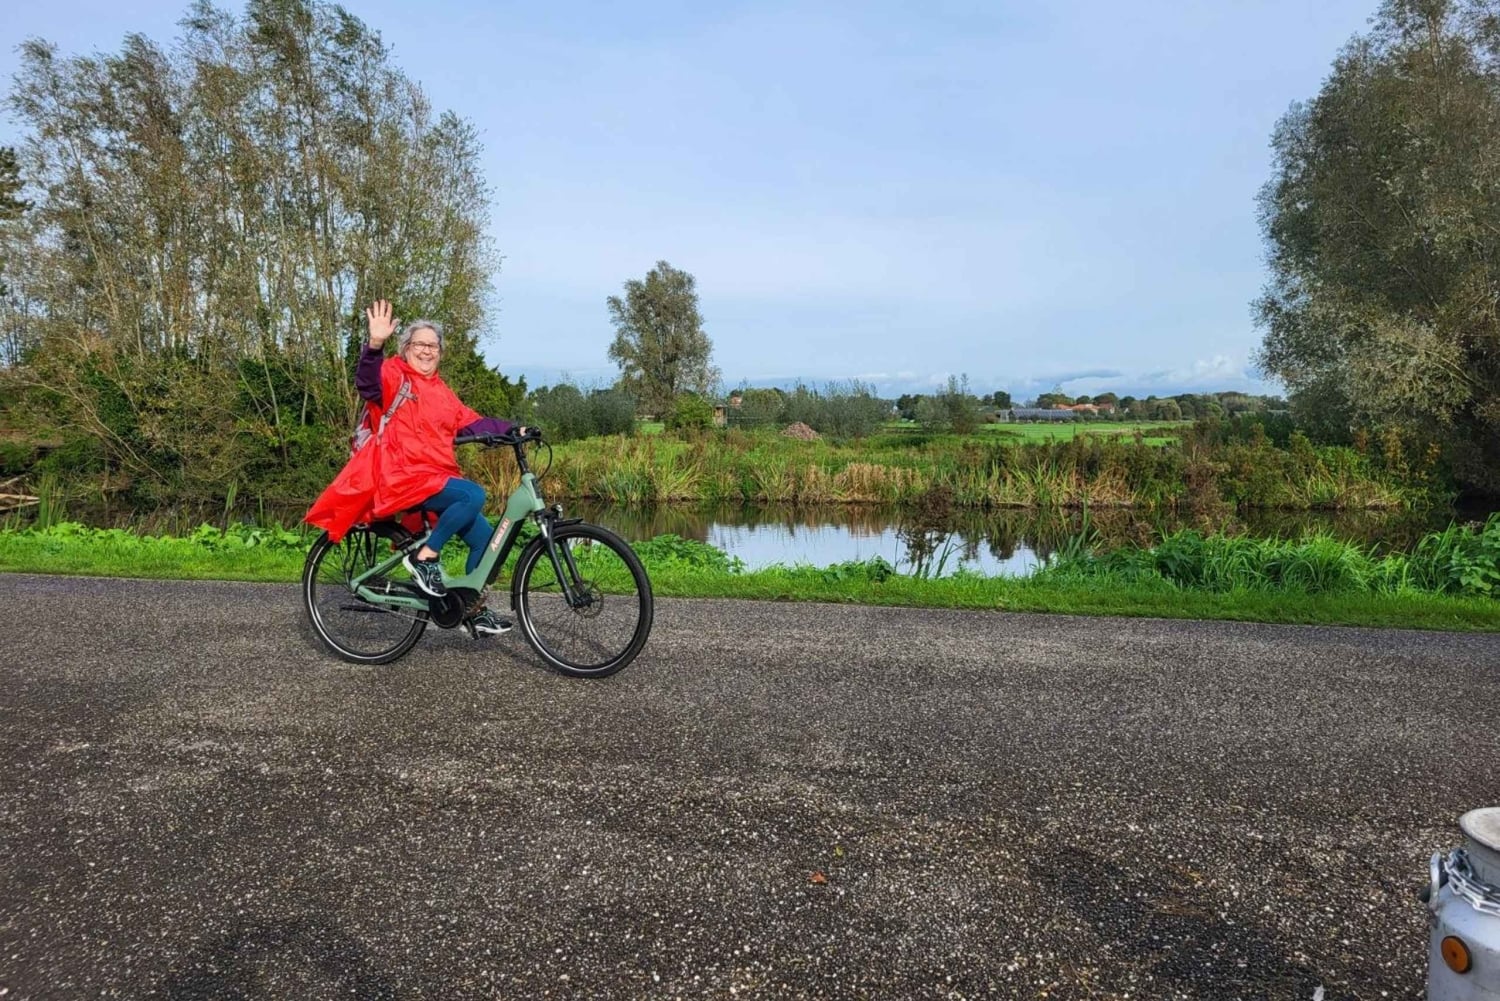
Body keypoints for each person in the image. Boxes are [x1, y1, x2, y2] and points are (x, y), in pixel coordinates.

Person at [306, 300, 523, 636]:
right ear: (405, 349)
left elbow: (474, 423)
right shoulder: (394, 375)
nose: (427, 351)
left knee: (485, 541)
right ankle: (425, 557)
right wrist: (374, 345)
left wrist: (513, 430)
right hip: (401, 475)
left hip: (435, 478)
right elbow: (367, 384)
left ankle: (471, 608)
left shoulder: (442, 392)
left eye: (433, 346)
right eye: (419, 344)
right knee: (472, 494)